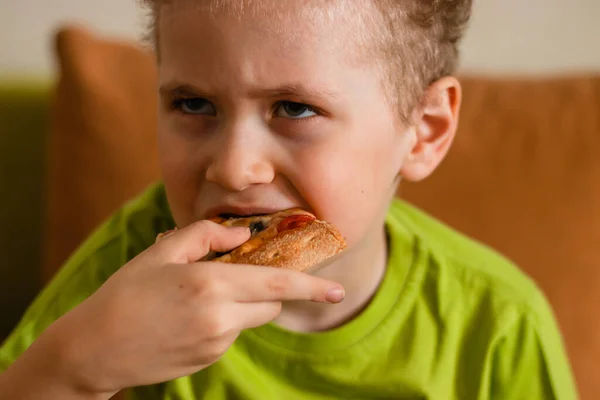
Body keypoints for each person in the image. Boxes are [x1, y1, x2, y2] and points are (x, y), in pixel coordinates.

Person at [0, 0, 578, 399]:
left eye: (295, 109)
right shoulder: (122, 278)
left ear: (424, 130)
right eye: (194, 105)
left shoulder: (498, 325)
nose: (232, 167)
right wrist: (75, 369)